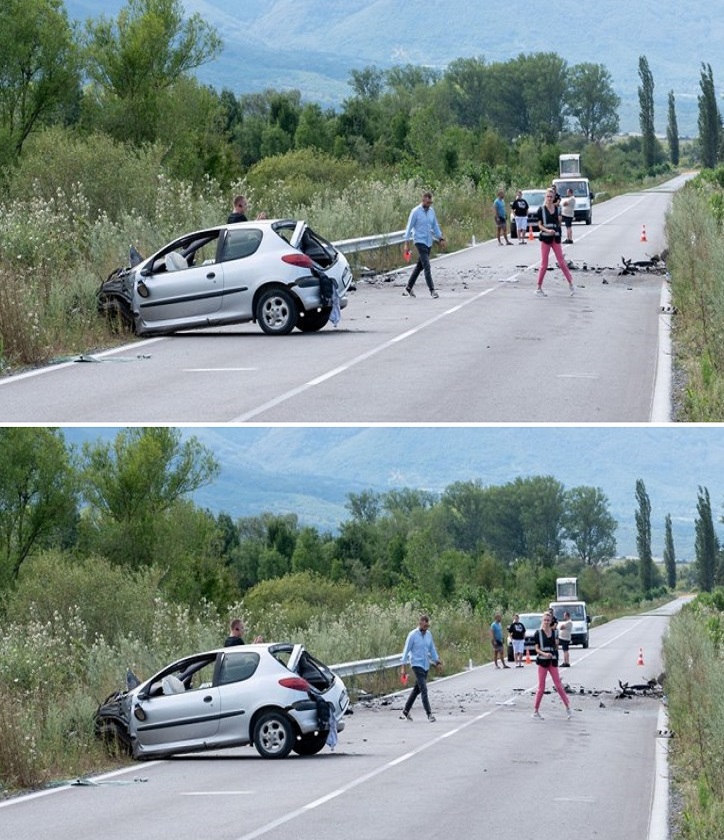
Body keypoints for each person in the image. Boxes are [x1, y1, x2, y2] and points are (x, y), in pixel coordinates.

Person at [400, 613, 443, 722]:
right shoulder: (412, 635)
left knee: (416, 690)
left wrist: (437, 661)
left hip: (425, 665)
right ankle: (429, 714)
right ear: (420, 624)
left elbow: (432, 649)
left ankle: (406, 710)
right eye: (424, 626)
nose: (425, 629)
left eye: (427, 627)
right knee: (424, 689)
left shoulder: (428, 635)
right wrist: (403, 667)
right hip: (416, 664)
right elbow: (406, 651)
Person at [403, 191, 446, 298]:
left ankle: (409, 287)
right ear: (423, 200)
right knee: (427, 265)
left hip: (428, 241)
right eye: (427, 202)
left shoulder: (431, 211)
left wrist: (440, 238)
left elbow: (435, 226)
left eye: (430, 203)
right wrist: (406, 243)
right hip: (419, 241)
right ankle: (432, 290)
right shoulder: (415, 212)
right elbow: (409, 228)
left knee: (419, 266)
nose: (429, 205)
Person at [535, 188, 575, 297]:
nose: (549, 198)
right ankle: (539, 287)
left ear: (554, 198)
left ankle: (571, 284)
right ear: (545, 197)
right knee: (544, 263)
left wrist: (557, 229)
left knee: (562, 262)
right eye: (547, 196)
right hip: (545, 238)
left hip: (555, 238)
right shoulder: (541, 210)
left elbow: (559, 221)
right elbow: (539, 225)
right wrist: (547, 230)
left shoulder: (557, 209)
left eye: (551, 197)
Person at [532, 613, 572, 720]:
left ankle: (568, 707)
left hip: (552, 661)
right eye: (545, 620)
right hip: (542, 661)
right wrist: (545, 654)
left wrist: (555, 648)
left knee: (558, 685)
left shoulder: (555, 633)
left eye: (548, 620)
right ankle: (536, 710)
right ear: (542, 621)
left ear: (551, 622)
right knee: (541, 687)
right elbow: (536, 649)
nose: (546, 622)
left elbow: (556, 645)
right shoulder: (538, 633)